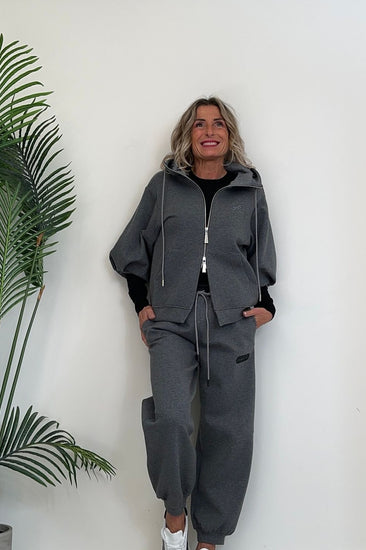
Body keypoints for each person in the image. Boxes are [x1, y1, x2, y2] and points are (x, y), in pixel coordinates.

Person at [110, 96, 276, 550]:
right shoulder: (163, 186)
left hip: (231, 320)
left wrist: (266, 305)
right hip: (171, 321)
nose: (209, 131)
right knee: (171, 418)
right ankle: (175, 515)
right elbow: (131, 248)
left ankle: (210, 539)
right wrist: (141, 303)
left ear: (229, 134)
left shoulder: (249, 190)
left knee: (230, 430)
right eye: (200, 124)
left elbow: (261, 250)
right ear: (188, 134)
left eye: (218, 124)